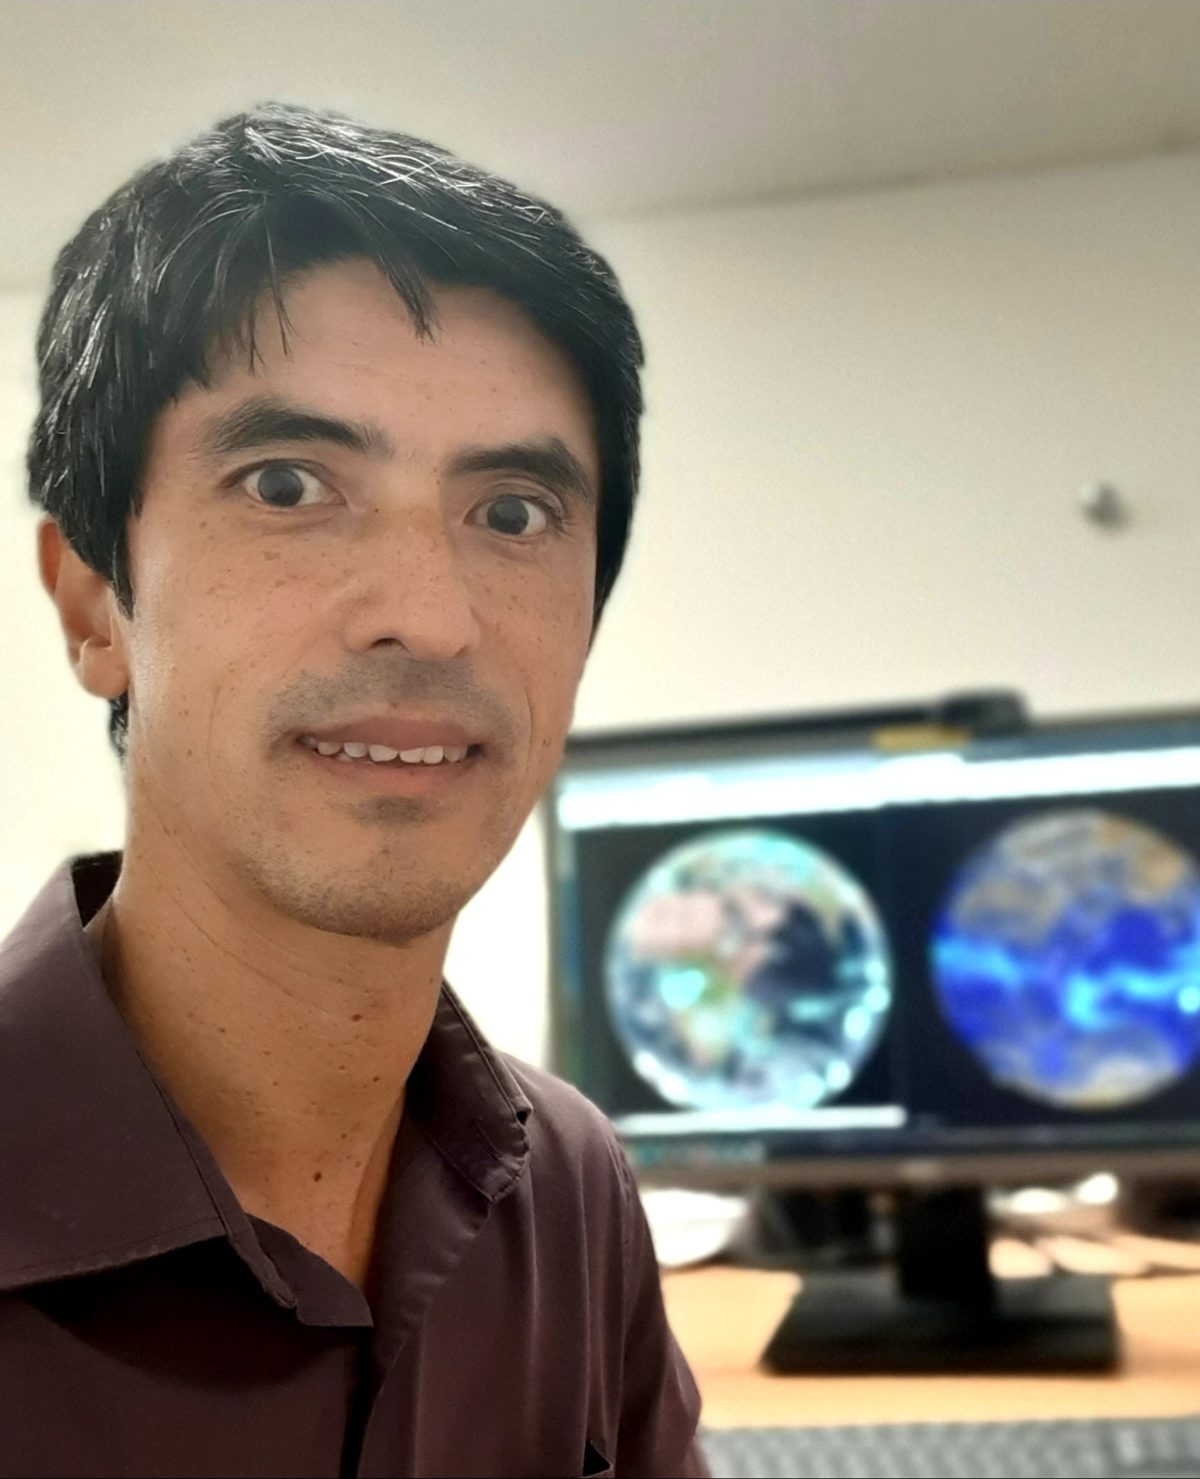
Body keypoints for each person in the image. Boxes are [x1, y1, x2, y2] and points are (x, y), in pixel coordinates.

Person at [4, 102, 709, 1478]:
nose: (429, 616)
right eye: (287, 486)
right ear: (93, 603)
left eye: (512, 514)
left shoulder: (571, 1191)